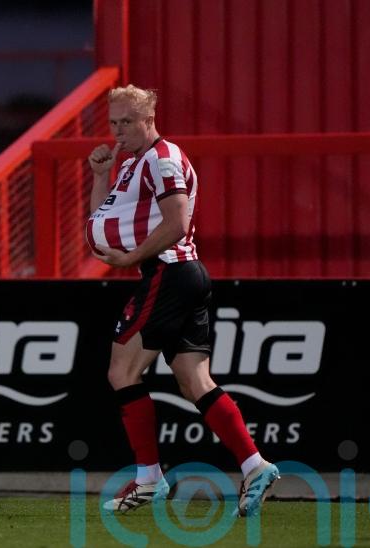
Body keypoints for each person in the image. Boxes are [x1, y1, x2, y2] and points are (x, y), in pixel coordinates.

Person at [87, 85, 279, 517]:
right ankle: (255, 465)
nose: (118, 131)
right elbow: (100, 223)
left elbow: (177, 223)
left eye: (127, 122)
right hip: (180, 275)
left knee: (122, 370)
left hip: (169, 273)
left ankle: (150, 478)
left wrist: (132, 258)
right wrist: (101, 175)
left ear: (149, 119)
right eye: (113, 122)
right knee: (194, 380)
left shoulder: (162, 158)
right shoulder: (131, 163)